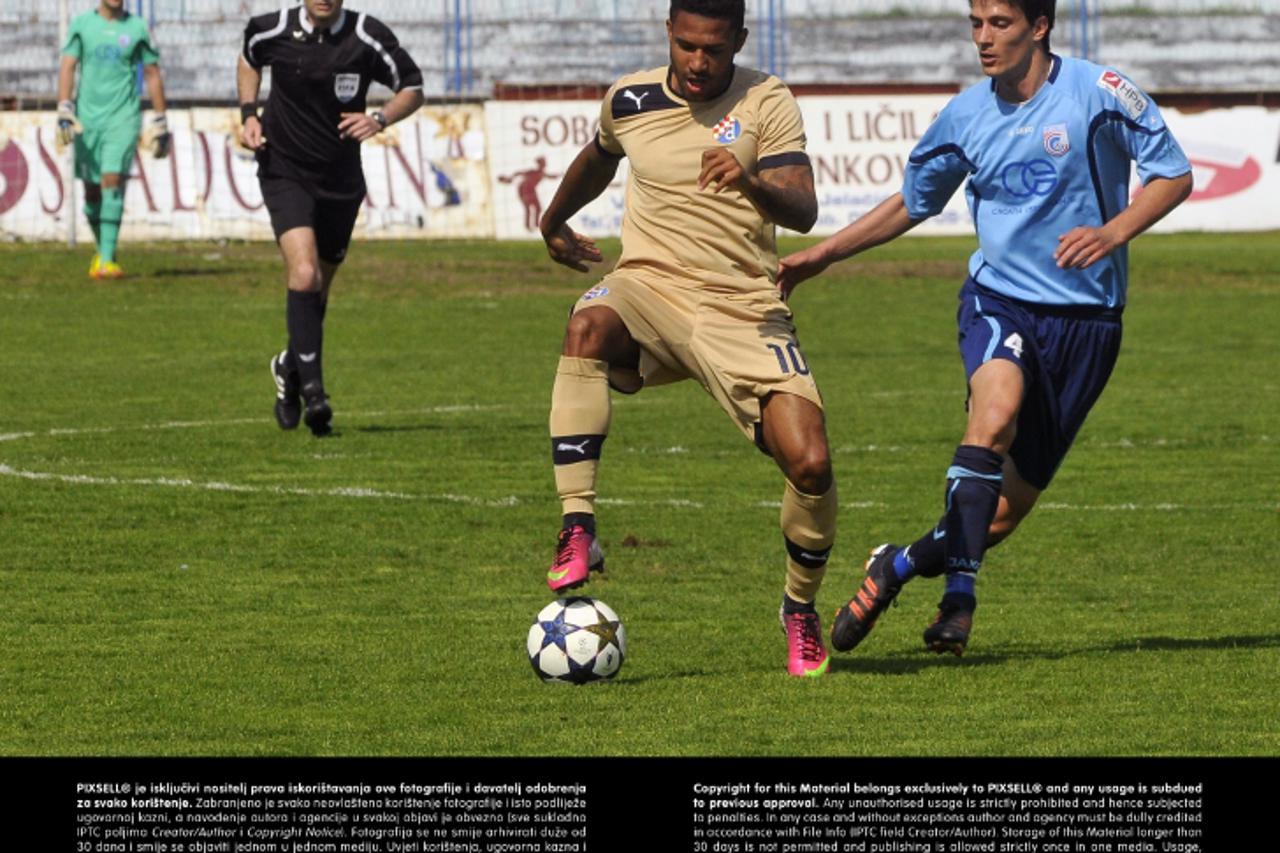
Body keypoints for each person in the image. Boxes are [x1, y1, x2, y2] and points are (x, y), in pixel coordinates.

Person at [778, 0, 1193, 656]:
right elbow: (913, 202)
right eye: (976, 23)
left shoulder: (1101, 93)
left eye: (999, 24)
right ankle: (959, 599)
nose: (984, 38)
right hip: (999, 302)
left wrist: (1112, 233)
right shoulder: (966, 116)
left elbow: (1173, 173)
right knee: (992, 418)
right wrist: (817, 256)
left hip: (1088, 328)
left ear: (1040, 25)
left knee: (996, 518)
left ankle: (897, 566)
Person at [540, 0, 837, 677]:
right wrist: (553, 221)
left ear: (738, 39)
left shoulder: (767, 99)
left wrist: (751, 180)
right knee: (586, 324)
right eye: (687, 46)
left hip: (741, 306)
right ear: (668, 33)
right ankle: (578, 525)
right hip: (648, 288)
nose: (699, 62)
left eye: (714, 49)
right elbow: (599, 157)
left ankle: (799, 609)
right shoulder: (630, 98)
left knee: (812, 463)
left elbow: (803, 205)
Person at [239, 0, 424, 436]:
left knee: (318, 291)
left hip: (340, 180)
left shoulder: (365, 36)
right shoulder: (271, 29)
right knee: (303, 275)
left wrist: (379, 118)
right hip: (283, 169)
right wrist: (249, 113)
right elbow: (249, 59)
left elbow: (413, 86)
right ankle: (316, 396)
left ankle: (289, 368)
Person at [57, 0, 170, 280]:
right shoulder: (82, 25)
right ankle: (104, 250)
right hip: (87, 120)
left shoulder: (137, 27)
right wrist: (64, 107)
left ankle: (107, 260)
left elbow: (153, 73)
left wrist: (160, 118)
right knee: (92, 190)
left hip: (123, 117)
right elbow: (68, 66)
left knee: (112, 179)